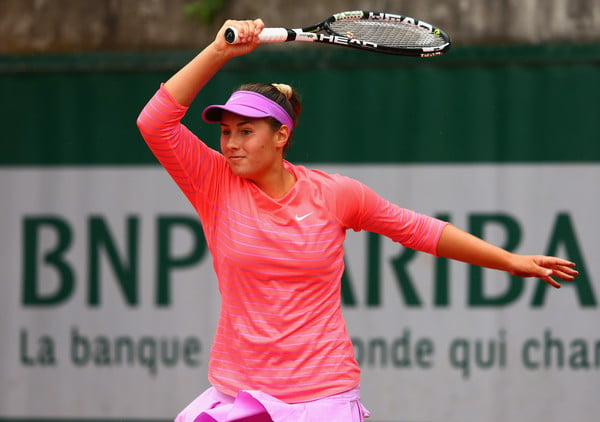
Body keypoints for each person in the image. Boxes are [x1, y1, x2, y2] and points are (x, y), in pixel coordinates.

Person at [137, 18, 578, 422]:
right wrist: (220, 51)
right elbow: (155, 122)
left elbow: (422, 230)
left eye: (246, 131)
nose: (231, 142)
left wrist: (509, 260)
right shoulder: (213, 182)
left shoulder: (336, 195)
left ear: (281, 136)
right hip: (239, 395)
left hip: (322, 395)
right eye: (226, 131)